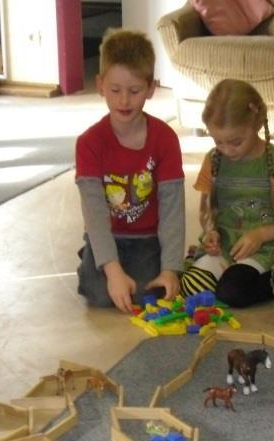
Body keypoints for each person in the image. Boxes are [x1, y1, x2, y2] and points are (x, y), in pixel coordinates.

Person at [75, 29, 185, 312]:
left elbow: (173, 209)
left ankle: (103, 259)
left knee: (151, 293)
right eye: (115, 90)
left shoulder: (165, 138)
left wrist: (171, 268)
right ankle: (94, 254)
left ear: (150, 88)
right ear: (100, 86)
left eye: (134, 91)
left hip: (148, 239)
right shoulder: (89, 142)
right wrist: (112, 271)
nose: (124, 101)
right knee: (101, 294)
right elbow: (95, 212)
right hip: (109, 234)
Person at [180, 79, 274, 308]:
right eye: (218, 141)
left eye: (235, 142)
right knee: (191, 287)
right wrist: (210, 231)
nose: (226, 150)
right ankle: (215, 271)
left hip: (266, 248)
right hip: (225, 246)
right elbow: (205, 211)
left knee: (233, 292)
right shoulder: (214, 160)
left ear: (257, 123)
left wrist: (260, 235)